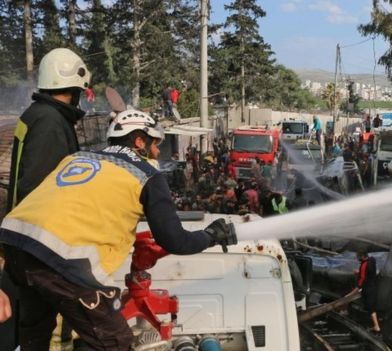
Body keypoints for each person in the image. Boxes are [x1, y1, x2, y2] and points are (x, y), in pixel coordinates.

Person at [0, 110, 237, 350]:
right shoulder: (146, 175)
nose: (157, 152)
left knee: (36, 335)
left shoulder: (77, 157)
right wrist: (211, 236)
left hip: (14, 244)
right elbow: (175, 241)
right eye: (155, 144)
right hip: (63, 262)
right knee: (116, 342)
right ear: (139, 142)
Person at [1, 47, 91, 351]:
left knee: (34, 329)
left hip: (25, 245)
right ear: (74, 88)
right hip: (42, 249)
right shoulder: (51, 122)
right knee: (49, 332)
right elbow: (41, 191)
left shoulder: (37, 115)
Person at [352, 250, 381, 333]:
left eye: (358, 256)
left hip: (367, 288)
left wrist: (357, 288)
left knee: (370, 308)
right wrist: (359, 271)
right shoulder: (372, 260)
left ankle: (376, 326)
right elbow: (370, 272)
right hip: (373, 286)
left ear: (362, 256)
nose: (357, 258)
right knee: (371, 306)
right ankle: (375, 325)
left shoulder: (364, 264)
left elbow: (362, 278)